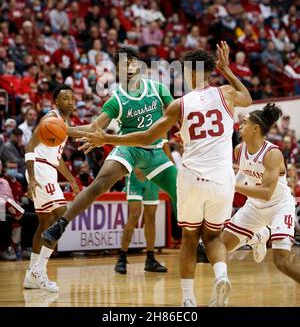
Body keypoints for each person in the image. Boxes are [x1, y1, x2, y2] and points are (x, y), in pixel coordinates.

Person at [64, 42, 252, 307]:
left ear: (189, 73)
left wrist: (107, 137)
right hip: (223, 179)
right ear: (212, 71)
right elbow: (248, 98)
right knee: (212, 237)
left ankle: (188, 300)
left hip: (192, 177)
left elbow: (149, 136)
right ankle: (221, 275)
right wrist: (228, 70)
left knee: (189, 238)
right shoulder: (228, 93)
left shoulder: (180, 104)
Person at [42, 47, 178, 260]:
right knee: (99, 184)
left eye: (130, 63)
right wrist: (64, 130)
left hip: (155, 152)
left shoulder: (158, 89)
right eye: (122, 66)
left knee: (180, 192)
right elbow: (94, 127)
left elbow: (175, 114)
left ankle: (197, 239)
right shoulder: (116, 100)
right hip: (128, 148)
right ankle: (61, 224)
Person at [221, 104, 300, 283]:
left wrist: (231, 185)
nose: (239, 126)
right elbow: (241, 177)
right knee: (221, 248)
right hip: (254, 207)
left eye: (244, 123)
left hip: (279, 206)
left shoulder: (272, 154)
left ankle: (259, 234)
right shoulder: (239, 150)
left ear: (255, 128)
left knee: (282, 262)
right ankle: (258, 236)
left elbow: (265, 193)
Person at [23, 85, 80, 292]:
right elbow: (29, 146)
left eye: (72, 98)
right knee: (61, 217)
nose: (70, 102)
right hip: (40, 170)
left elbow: (57, 159)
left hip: (47, 169)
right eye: (65, 98)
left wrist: (72, 179)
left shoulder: (64, 123)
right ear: (56, 102)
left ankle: (31, 273)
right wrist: (31, 179)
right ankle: (40, 271)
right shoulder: (50, 119)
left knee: (45, 221)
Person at [115, 169, 167, 274]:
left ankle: (150, 259)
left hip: (152, 179)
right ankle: (122, 258)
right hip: (135, 178)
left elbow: (165, 155)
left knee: (151, 218)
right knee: (134, 215)